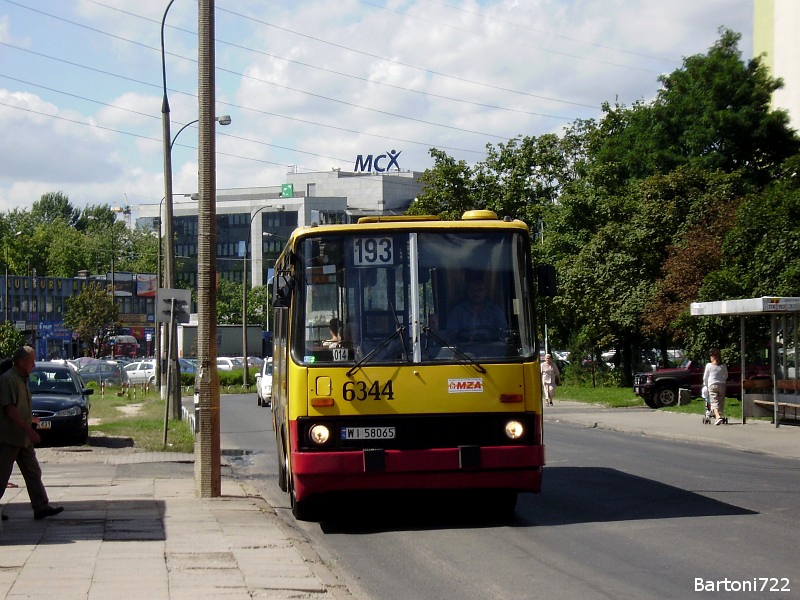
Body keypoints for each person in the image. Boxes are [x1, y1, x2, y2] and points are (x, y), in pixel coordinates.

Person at [0, 346, 64, 521]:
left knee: (33, 472)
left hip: (23, 439)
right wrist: (29, 429)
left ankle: (41, 507)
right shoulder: (8, 379)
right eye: (31, 362)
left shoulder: (22, 378)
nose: (34, 365)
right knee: (2, 475)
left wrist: (30, 422)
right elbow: (10, 410)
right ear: (21, 362)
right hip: (9, 438)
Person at [447, 278, 507, 342]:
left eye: (479, 290)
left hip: (492, 348)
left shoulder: (495, 310)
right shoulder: (458, 311)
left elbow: (503, 331)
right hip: (465, 349)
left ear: (485, 292)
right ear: (468, 292)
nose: (476, 293)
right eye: (472, 290)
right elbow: (451, 334)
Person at [703, 348, 728, 426]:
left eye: (711, 356)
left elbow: (705, 377)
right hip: (722, 384)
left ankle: (718, 417)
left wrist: (706, 384)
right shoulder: (723, 366)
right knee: (721, 401)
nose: (710, 357)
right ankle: (720, 414)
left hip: (712, 384)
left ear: (713, 357)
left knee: (714, 401)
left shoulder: (709, 366)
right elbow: (726, 376)